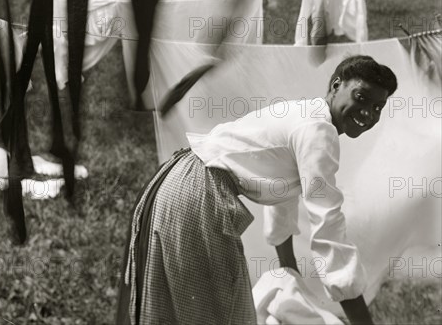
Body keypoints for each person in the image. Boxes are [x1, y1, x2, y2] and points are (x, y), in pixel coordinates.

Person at [116, 55, 397, 325]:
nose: (368, 113)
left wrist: (289, 275)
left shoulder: (304, 113)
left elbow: (281, 197)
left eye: (377, 108)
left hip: (177, 180)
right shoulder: (318, 130)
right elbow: (328, 228)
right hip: (197, 194)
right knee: (219, 312)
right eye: (361, 98)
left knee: (177, 306)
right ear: (336, 85)